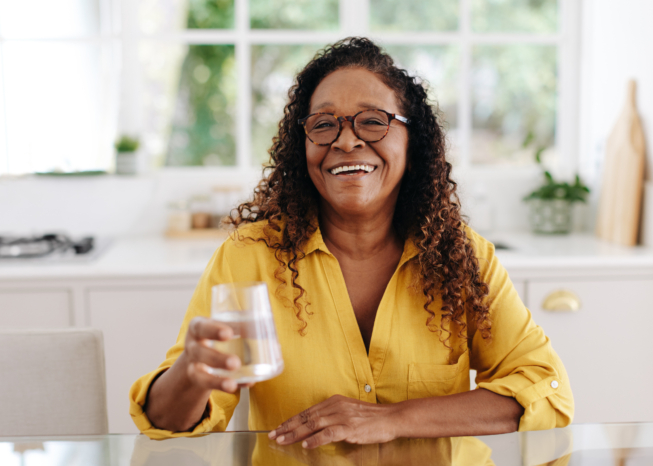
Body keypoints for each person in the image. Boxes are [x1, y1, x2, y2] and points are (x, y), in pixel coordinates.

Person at [130, 37, 573, 447]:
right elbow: (170, 424)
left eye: (372, 122)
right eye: (324, 125)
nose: (345, 140)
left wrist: (393, 418)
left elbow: (546, 390)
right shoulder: (252, 256)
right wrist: (192, 371)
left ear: (412, 141)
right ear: (302, 147)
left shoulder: (462, 257)